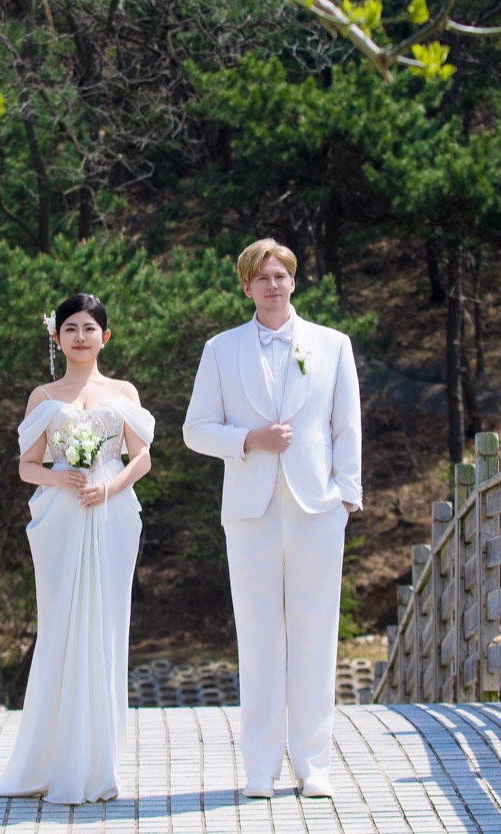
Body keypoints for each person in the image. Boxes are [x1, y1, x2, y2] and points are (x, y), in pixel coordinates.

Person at [182, 239, 362, 800]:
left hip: (317, 508)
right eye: (261, 277)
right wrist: (248, 440)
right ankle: (260, 767)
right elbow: (195, 429)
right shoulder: (221, 349)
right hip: (250, 510)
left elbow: (346, 427)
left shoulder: (332, 345)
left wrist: (347, 495)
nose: (273, 285)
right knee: (258, 638)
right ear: (246, 286)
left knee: (315, 635)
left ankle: (315, 764)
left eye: (281, 275)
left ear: (294, 280)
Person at [0, 292, 155, 805]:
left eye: (90, 328)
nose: (80, 337)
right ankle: (51, 760)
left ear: (105, 337)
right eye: (70, 328)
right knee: (62, 625)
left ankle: (98, 764)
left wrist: (108, 488)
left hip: (113, 515)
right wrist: (61, 477)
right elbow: (26, 466)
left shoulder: (123, 391)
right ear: (57, 337)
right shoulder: (43, 396)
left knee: (107, 626)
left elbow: (142, 459)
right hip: (62, 517)